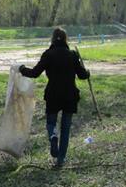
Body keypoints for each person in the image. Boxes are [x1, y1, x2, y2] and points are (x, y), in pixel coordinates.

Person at [19, 27, 90, 168]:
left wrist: (21, 69)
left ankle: (52, 136)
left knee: (51, 122)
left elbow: (34, 73)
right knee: (65, 129)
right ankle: (60, 160)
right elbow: (82, 75)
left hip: (53, 94)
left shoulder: (48, 54)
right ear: (66, 39)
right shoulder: (72, 55)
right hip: (70, 95)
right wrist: (87, 72)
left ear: (52, 39)